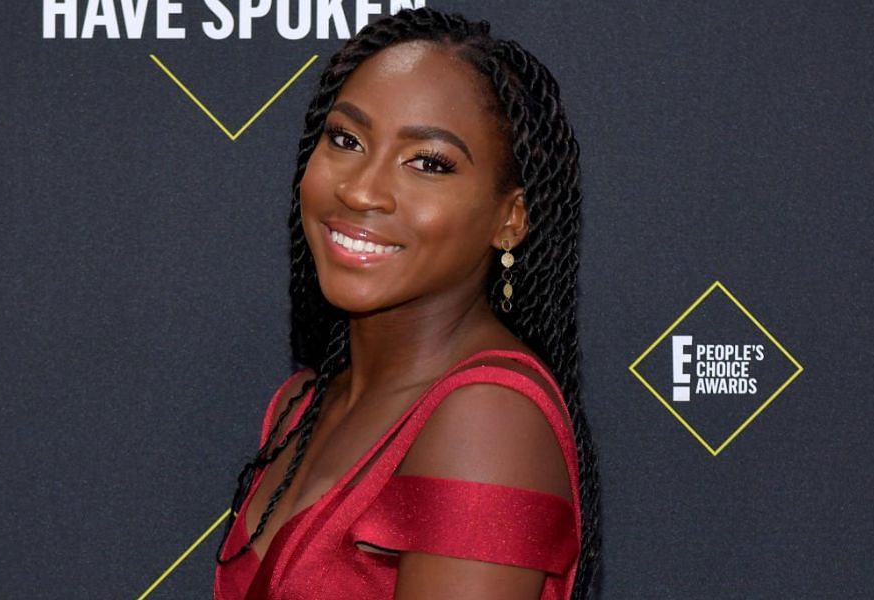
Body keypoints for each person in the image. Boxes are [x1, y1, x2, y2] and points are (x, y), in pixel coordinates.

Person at [213, 7, 602, 600]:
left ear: (511, 218)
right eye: (346, 139)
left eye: (428, 163)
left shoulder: (488, 419)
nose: (361, 188)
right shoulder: (300, 406)